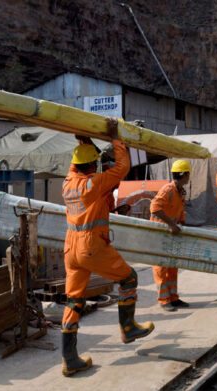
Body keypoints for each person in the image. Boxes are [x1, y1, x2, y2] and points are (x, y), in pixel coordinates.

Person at [60, 118, 153, 377]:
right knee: (129, 278)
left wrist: (85, 141)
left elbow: (78, 163)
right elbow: (122, 166)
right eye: (95, 163)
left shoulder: (67, 182)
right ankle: (127, 328)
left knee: (75, 301)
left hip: (70, 248)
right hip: (91, 246)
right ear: (90, 165)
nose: (99, 165)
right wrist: (116, 137)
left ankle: (70, 359)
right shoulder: (94, 183)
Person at [150, 160, 192, 312]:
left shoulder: (180, 191)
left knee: (172, 265)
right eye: (188, 174)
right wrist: (170, 224)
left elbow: (179, 211)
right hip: (160, 232)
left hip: (171, 233)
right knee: (161, 266)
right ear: (184, 174)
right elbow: (154, 208)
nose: (189, 177)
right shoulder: (168, 190)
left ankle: (173, 297)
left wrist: (181, 224)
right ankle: (164, 300)